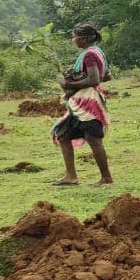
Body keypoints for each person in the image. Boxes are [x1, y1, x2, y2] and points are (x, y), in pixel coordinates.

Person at [51, 22, 113, 187]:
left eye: (75, 37)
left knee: (93, 138)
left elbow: (94, 79)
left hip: (88, 102)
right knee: (63, 134)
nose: (73, 39)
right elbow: (106, 75)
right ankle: (71, 176)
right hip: (80, 102)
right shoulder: (96, 51)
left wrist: (69, 84)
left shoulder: (90, 55)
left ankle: (106, 178)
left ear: (84, 39)